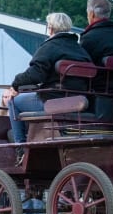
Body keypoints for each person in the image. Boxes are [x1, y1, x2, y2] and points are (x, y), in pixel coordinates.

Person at [7, 12, 92, 165]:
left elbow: (35, 75)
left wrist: (15, 84)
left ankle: (20, 148)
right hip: (78, 103)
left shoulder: (49, 47)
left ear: (50, 28)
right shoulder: (81, 50)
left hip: (53, 101)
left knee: (14, 102)